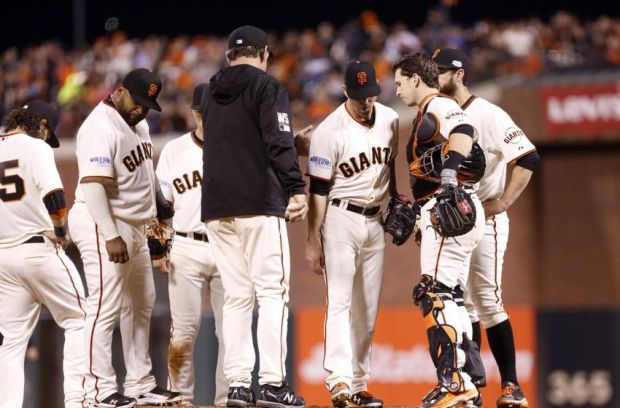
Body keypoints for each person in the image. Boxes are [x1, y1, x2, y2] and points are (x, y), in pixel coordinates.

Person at [201, 25, 307, 408]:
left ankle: (239, 386)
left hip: (215, 207)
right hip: (258, 203)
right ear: (264, 54)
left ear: (230, 56)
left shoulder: (210, 92)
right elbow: (276, 142)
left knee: (236, 297)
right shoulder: (267, 87)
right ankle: (274, 384)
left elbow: (234, 140)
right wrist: (296, 188)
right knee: (272, 292)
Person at [68, 68, 182, 407]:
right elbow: (92, 186)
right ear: (119, 91)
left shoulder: (140, 125)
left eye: (148, 104)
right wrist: (110, 235)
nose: (142, 110)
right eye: (138, 101)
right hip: (100, 220)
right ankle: (99, 391)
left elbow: (147, 180)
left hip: (133, 224)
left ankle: (139, 383)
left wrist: (161, 213)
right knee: (104, 306)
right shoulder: (98, 127)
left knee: (143, 300)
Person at [434, 48, 539, 408]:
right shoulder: (438, 112)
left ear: (459, 74)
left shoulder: (488, 113)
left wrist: (505, 202)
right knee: (463, 307)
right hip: (452, 222)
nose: (437, 77)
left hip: (485, 217)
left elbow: (528, 156)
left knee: (489, 301)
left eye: (443, 71)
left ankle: (511, 386)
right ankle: (471, 387)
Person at [392, 52, 485, 408]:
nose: (397, 89)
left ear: (416, 78)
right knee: (453, 297)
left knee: (434, 294)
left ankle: (456, 383)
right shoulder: (427, 110)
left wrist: (448, 175)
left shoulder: (438, 105)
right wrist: (417, 210)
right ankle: (469, 386)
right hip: (446, 208)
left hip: (449, 207)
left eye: (400, 81)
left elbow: (464, 132)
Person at [305, 61, 399, 408]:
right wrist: (313, 241)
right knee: (340, 301)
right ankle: (339, 382)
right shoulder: (328, 131)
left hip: (375, 222)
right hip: (340, 219)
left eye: (371, 94)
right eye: (359, 95)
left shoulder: (390, 120)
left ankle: (360, 384)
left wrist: (396, 202)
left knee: (368, 309)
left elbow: (390, 167)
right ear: (345, 91)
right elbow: (317, 190)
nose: (366, 102)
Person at [0, 101, 86, 408]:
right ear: (41, 124)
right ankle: (78, 400)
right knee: (79, 320)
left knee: (10, 344)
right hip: (38, 251)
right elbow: (55, 194)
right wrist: (61, 230)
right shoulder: (36, 148)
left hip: (4, 259)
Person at [154, 83, 227, 407]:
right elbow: (159, 204)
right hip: (186, 244)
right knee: (183, 332)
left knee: (232, 334)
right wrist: (158, 248)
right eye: (203, 111)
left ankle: (228, 401)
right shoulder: (174, 150)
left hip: (228, 245)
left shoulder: (236, 147)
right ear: (195, 112)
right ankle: (181, 400)